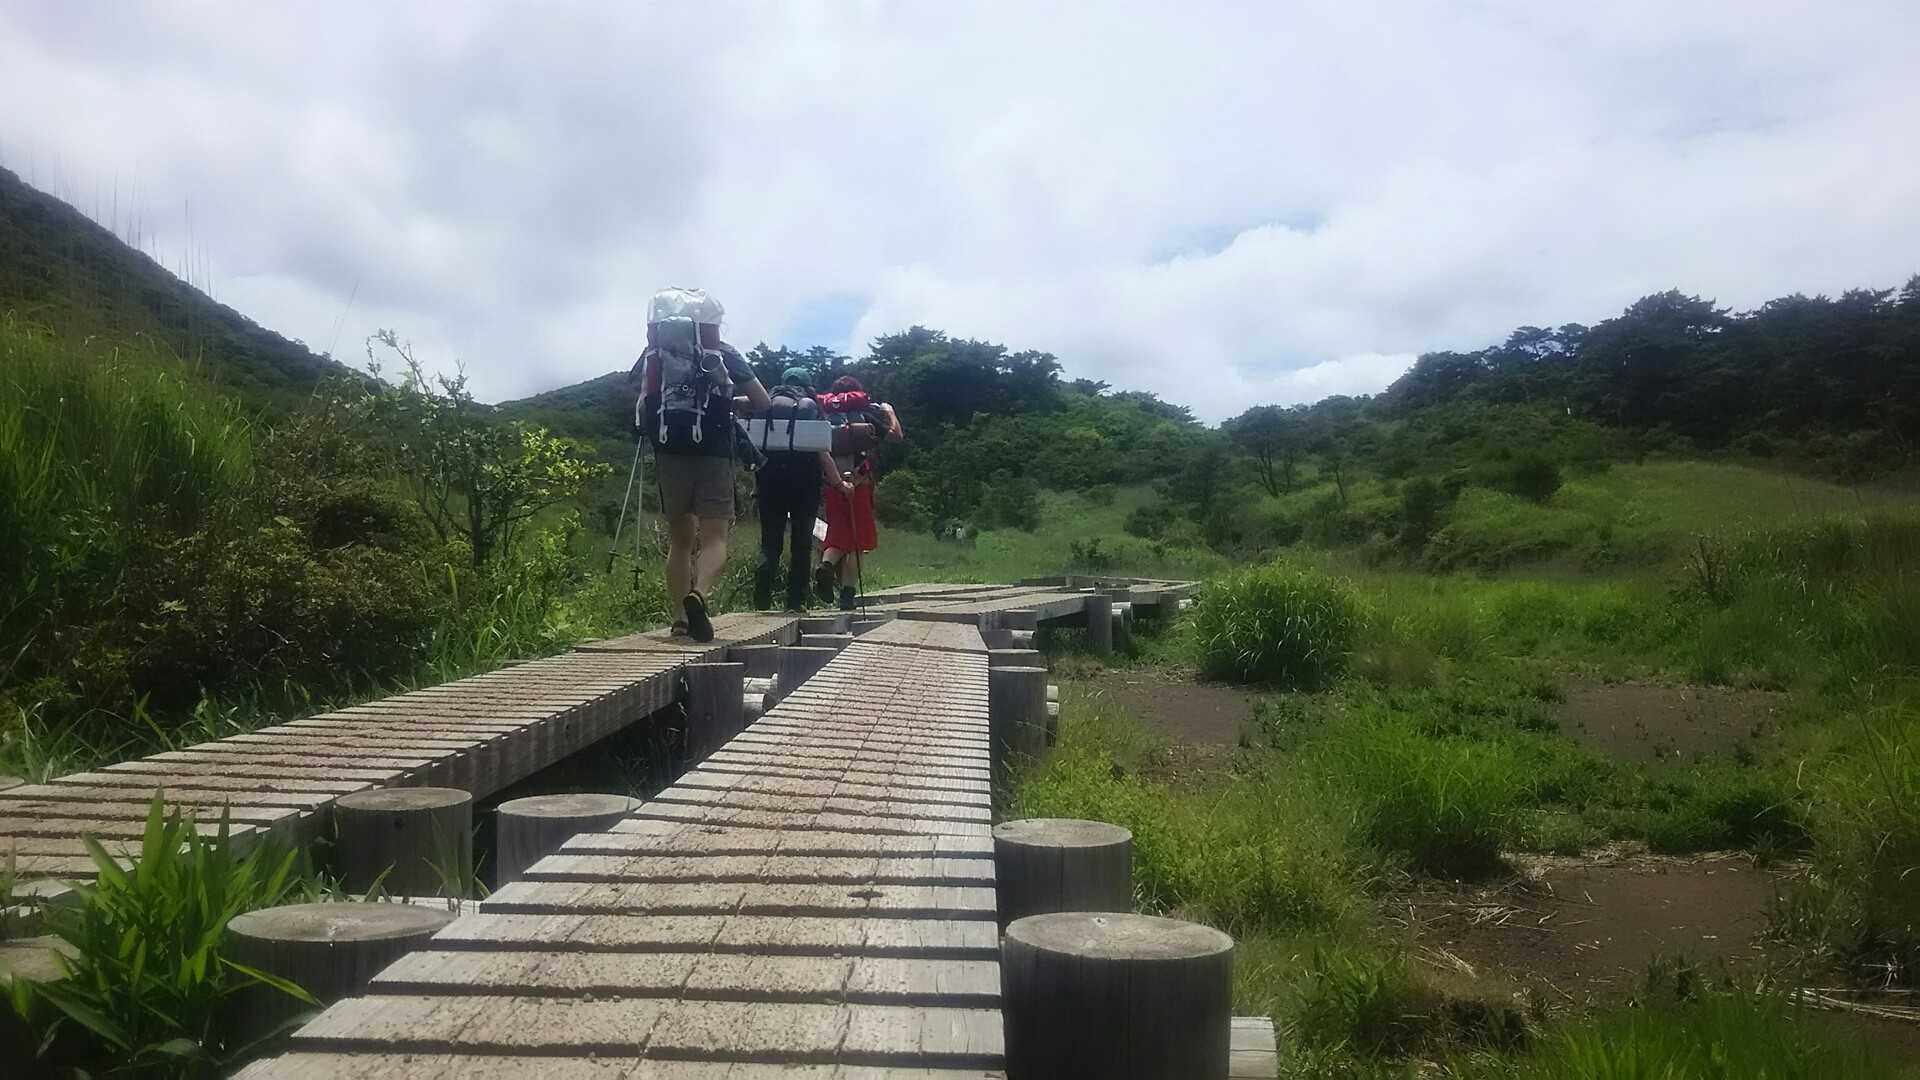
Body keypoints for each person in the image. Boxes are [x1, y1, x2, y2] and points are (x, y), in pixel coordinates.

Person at [629, 287, 770, 642]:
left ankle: (679, 619)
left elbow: (643, 396)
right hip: (714, 452)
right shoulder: (721, 352)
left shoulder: (655, 352)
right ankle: (700, 594)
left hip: (669, 450)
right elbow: (763, 401)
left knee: (680, 541)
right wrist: (731, 400)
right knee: (715, 536)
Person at [752, 366, 848, 612]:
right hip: (805, 483)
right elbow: (823, 452)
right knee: (802, 543)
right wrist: (839, 483)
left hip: (769, 479)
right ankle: (795, 602)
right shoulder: (811, 407)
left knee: (770, 541)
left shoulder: (767, 402)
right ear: (808, 385)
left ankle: (763, 586)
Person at [813, 375, 903, 610]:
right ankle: (847, 595)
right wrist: (890, 412)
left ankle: (826, 565)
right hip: (861, 484)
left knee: (837, 536)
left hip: (834, 484)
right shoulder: (867, 414)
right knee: (857, 543)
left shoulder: (825, 417)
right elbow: (896, 435)